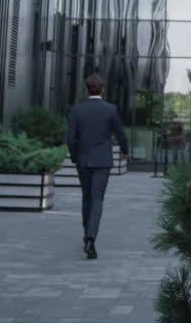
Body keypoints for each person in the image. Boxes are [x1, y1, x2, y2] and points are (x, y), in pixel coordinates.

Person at [66, 74, 129, 259]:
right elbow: (121, 134)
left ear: (86, 90)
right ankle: (91, 238)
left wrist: (74, 156)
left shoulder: (77, 110)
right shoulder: (110, 109)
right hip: (102, 160)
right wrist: (125, 151)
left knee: (86, 197)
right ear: (103, 90)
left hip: (83, 160)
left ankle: (87, 234)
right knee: (97, 199)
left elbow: (70, 138)